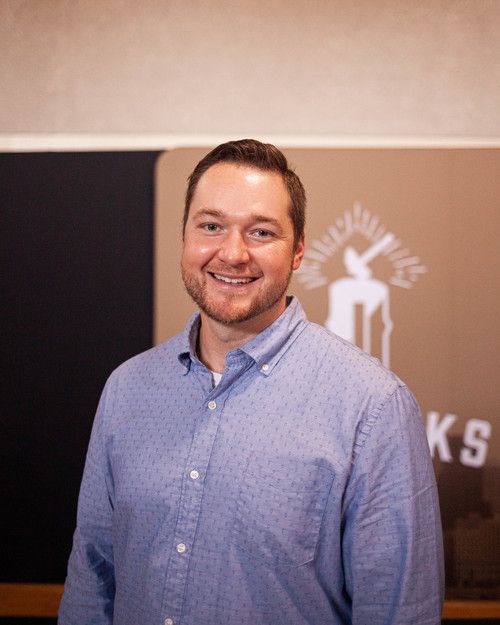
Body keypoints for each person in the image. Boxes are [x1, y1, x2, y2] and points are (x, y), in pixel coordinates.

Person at [59, 139, 444, 625]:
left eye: (261, 232)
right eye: (211, 226)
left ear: (298, 250)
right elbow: (92, 578)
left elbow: (399, 613)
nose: (233, 253)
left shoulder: (374, 407)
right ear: (184, 236)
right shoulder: (127, 389)